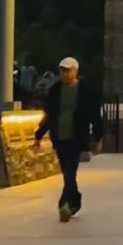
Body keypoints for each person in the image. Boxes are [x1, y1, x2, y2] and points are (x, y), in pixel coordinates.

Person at [32, 56, 104, 223]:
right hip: (59, 137)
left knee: (70, 171)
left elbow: (94, 115)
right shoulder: (55, 90)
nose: (64, 74)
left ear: (75, 71)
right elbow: (49, 115)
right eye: (62, 70)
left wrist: (97, 137)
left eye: (67, 70)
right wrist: (39, 135)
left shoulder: (85, 91)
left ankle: (64, 204)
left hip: (76, 138)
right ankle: (75, 199)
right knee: (67, 171)